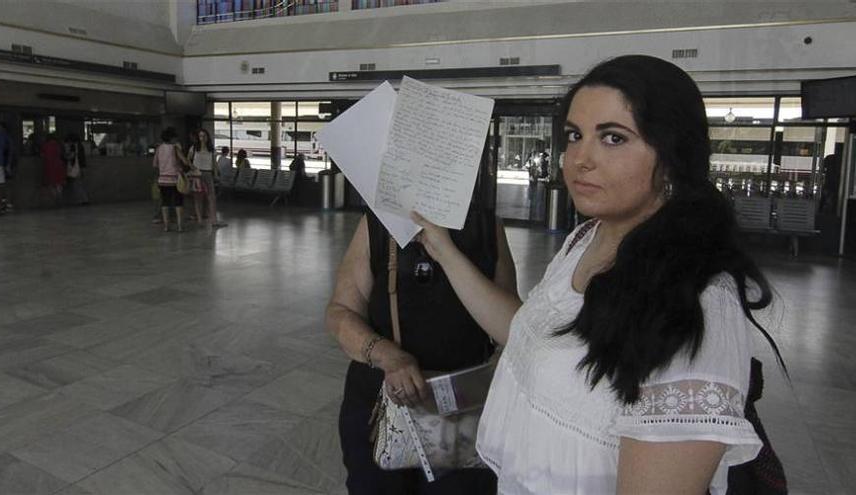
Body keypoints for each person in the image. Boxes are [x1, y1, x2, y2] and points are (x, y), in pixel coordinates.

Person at [412, 55, 785, 494]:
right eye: (574, 135)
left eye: (613, 137)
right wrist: (441, 247)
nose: (579, 160)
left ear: (672, 157)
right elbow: (528, 333)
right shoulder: (585, 239)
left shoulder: (694, 300)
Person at [326, 189, 518, 493]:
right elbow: (341, 313)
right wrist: (388, 356)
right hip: (379, 407)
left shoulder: (484, 227)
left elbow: (510, 330)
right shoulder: (377, 224)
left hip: (462, 409)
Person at [153, 127, 190, 232]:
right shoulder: (175, 148)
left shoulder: (159, 148)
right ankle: (179, 226)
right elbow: (185, 161)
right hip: (175, 180)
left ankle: (166, 226)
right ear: (172, 138)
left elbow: (155, 164)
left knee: (165, 202)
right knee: (178, 202)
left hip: (162, 180)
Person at [187, 128, 220, 227]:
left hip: (208, 173)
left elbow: (214, 163)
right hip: (197, 174)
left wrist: (216, 174)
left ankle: (213, 220)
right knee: (198, 197)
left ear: (207, 137)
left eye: (204, 136)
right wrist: (193, 168)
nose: (202, 138)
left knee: (211, 197)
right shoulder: (194, 148)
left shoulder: (211, 149)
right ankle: (199, 219)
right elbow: (188, 159)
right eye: (200, 136)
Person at [40, 133, 66, 206]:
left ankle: (56, 200)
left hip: (49, 166)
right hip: (59, 165)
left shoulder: (45, 146)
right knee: (59, 183)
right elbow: (61, 154)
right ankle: (59, 198)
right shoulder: (58, 145)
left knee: (51, 184)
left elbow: (42, 155)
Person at [64, 133, 89, 205]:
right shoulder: (80, 146)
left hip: (76, 167)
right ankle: (84, 200)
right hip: (81, 166)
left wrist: (65, 156)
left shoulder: (73, 146)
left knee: (76, 185)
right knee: (80, 184)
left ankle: (82, 200)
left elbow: (71, 156)